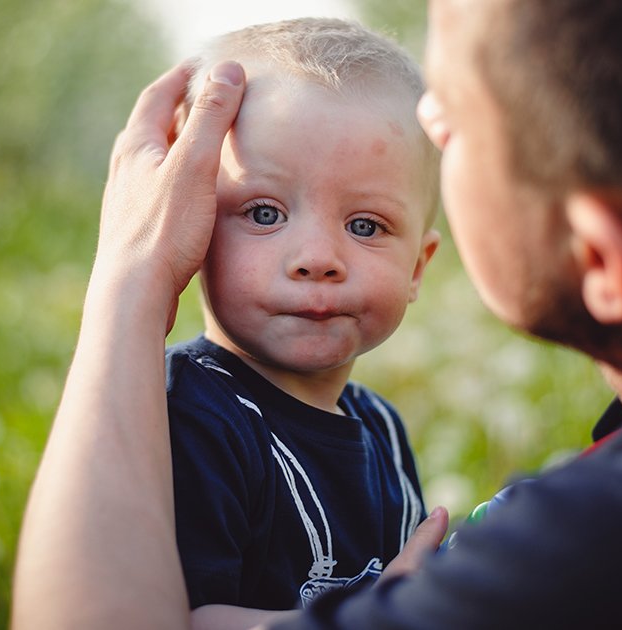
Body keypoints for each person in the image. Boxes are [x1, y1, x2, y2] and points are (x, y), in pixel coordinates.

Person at [13, 0, 622, 627]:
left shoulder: (604, 559)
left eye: (462, 121)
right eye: (262, 211)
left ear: (601, 260)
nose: (317, 255)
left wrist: (127, 280)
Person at [163, 18, 441, 627]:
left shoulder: (382, 429)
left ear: (418, 266)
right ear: (195, 228)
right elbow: (179, 618)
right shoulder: (191, 411)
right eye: (264, 212)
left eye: (365, 225)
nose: (317, 257)